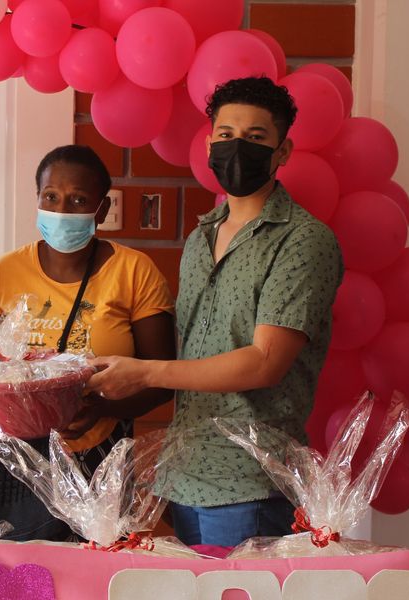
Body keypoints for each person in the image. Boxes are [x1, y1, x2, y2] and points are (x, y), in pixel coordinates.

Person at [87, 77, 344, 547]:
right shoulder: (200, 237)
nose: (237, 148)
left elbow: (266, 363)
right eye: (226, 135)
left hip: (251, 482)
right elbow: (194, 353)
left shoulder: (303, 240)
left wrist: (145, 373)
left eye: (255, 137)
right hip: (184, 475)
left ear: (282, 151)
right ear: (209, 145)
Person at [0, 145, 177, 541]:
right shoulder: (6, 272)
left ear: (102, 210)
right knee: (16, 568)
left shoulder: (134, 271)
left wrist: (101, 408)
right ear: (37, 198)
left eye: (78, 200)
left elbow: (161, 380)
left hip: (99, 457)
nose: (62, 209)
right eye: (51, 196)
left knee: (95, 566)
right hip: (17, 460)